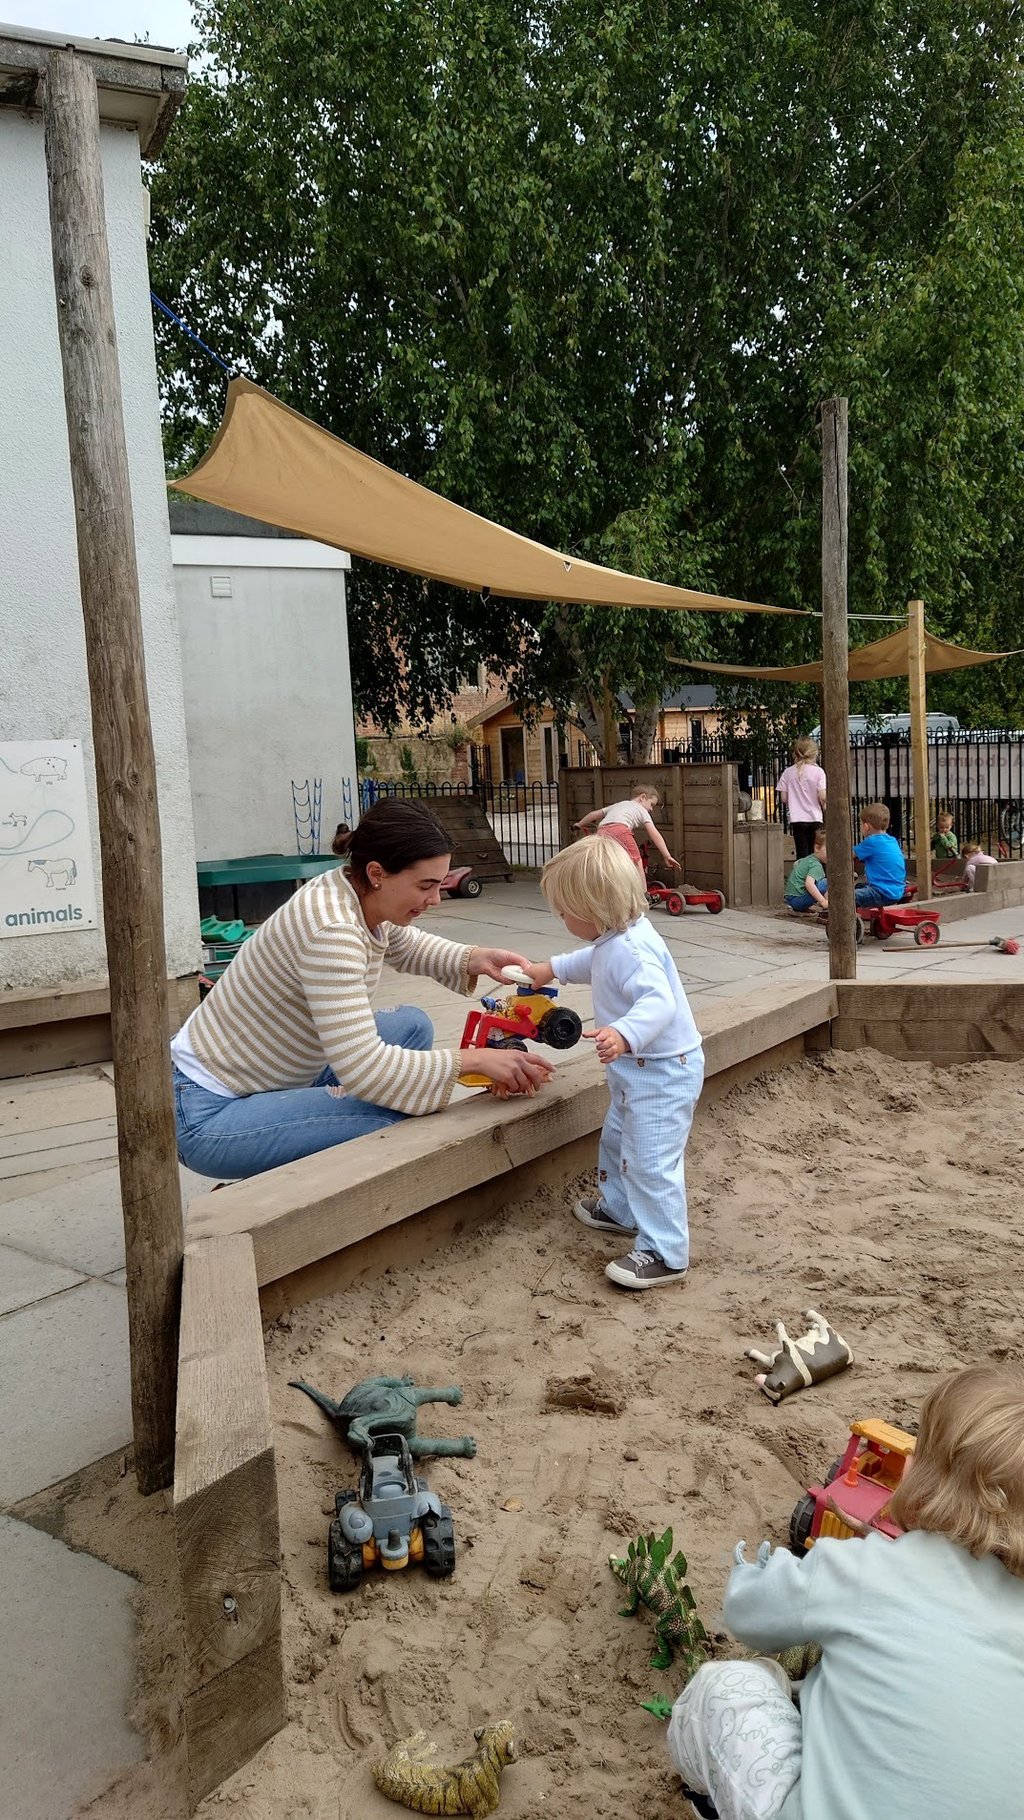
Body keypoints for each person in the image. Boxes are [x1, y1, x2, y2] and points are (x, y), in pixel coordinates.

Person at [665, 1362, 1024, 1820]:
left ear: (916, 1472)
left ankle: (710, 1803)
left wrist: (762, 1571)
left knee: (724, 1688)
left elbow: (748, 1614)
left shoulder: (869, 1569)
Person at [171, 799, 554, 1179]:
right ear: (377, 873)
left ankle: (315, 1127)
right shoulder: (332, 931)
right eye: (426, 885)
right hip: (210, 1111)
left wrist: (476, 958)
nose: (435, 899)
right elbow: (364, 1069)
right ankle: (288, 1184)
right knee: (391, 1117)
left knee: (412, 1025)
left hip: (276, 1072)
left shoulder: (348, 889)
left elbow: (403, 943)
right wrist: (474, 1062)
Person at [521, 836, 704, 1291]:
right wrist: (552, 969)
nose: (560, 918)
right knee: (619, 1140)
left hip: (662, 1071)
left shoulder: (633, 951)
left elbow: (658, 1003)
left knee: (649, 1161)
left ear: (593, 908)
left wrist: (623, 1033)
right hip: (637, 1071)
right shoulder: (614, 938)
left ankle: (665, 1252)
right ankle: (621, 1211)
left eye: (565, 911)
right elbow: (593, 960)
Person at [573, 787, 680, 876]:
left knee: (608, 862)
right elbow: (654, 834)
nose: (651, 809)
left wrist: (579, 824)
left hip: (602, 831)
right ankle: (643, 896)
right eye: (652, 804)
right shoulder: (641, 809)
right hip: (620, 830)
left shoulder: (620, 804)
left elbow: (594, 814)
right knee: (636, 861)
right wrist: (667, 855)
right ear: (643, 797)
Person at [776, 739, 827, 860]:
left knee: (801, 853)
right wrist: (824, 805)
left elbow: (783, 798)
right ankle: (814, 877)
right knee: (815, 852)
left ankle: (801, 877)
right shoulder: (819, 772)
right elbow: (822, 795)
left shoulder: (788, 772)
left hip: (797, 818)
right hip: (815, 817)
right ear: (815, 754)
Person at [853, 801, 907, 908]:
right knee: (859, 886)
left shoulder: (871, 842)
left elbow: (849, 855)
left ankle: (837, 915)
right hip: (897, 890)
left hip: (882, 892)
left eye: (860, 824)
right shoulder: (892, 840)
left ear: (866, 826)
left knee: (847, 896)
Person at [783, 830, 828, 915]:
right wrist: (822, 901)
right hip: (798, 900)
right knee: (827, 883)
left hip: (791, 898)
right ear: (817, 848)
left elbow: (796, 864)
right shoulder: (815, 865)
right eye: (828, 850)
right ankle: (828, 906)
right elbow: (809, 884)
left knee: (822, 883)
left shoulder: (808, 859)